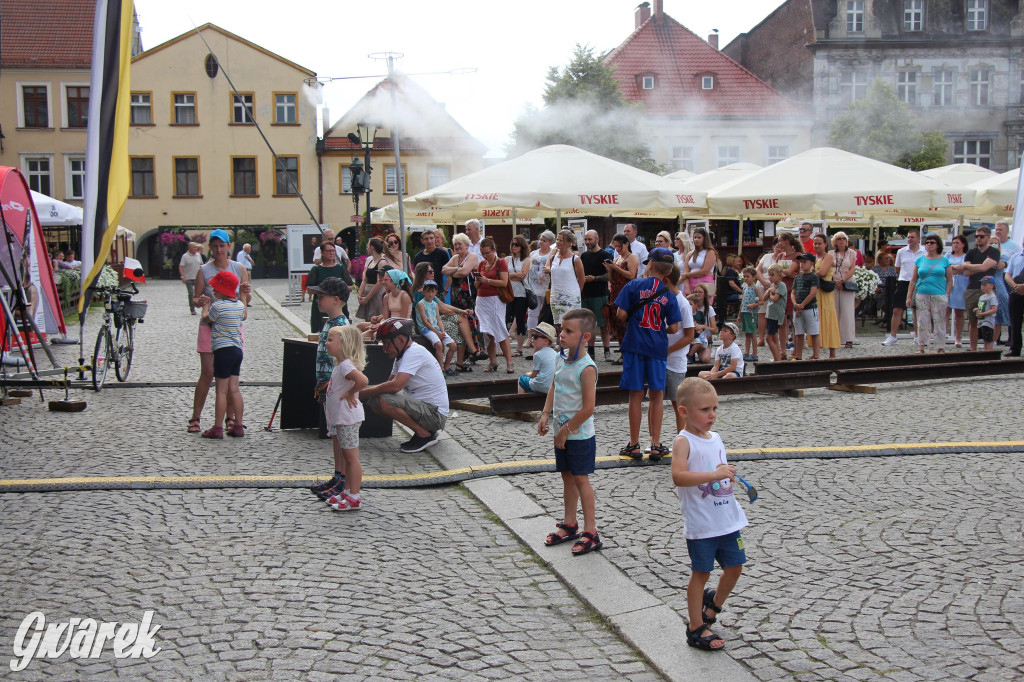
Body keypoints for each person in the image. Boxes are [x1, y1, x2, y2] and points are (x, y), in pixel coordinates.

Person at [671, 377, 748, 652]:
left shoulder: (716, 438)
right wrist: (715, 474)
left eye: (714, 408)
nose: (712, 415)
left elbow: (717, 469)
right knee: (700, 573)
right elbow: (678, 476)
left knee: (735, 566)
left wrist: (726, 475)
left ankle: (712, 606)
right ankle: (695, 626)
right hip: (702, 524)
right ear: (684, 412)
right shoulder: (683, 441)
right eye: (705, 410)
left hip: (727, 519)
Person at [538, 308, 601, 556]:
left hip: (579, 435)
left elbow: (589, 408)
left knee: (581, 478)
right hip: (560, 430)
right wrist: (545, 413)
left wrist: (566, 430)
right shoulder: (560, 357)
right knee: (567, 476)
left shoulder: (587, 368)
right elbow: (554, 384)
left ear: (585, 337)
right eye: (562, 329)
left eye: (568, 331)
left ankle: (591, 530)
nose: (561, 334)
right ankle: (570, 523)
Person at [614, 248, 682, 461]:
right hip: (657, 348)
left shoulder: (633, 285)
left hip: (635, 344)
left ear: (650, 264)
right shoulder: (668, 294)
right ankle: (655, 443)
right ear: (669, 271)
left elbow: (620, 313)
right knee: (657, 395)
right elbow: (674, 327)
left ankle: (634, 444)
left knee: (635, 395)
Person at [188, 229, 249, 435]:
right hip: (209, 328)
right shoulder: (203, 270)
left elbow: (244, 300)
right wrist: (203, 301)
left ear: (228, 246)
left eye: (222, 246)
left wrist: (245, 295)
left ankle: (229, 419)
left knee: (230, 379)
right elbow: (196, 299)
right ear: (210, 248)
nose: (218, 249)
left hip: (231, 329)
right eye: (214, 246)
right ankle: (196, 416)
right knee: (208, 373)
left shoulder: (239, 268)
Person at [362, 318, 450, 453]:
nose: (385, 350)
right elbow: (388, 384)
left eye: (386, 344)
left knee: (383, 401)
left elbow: (395, 387)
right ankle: (425, 431)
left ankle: (424, 435)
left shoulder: (414, 353)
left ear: (401, 340)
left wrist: (361, 392)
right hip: (427, 409)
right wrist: (360, 390)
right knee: (375, 401)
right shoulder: (401, 355)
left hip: (435, 415)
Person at [321, 325, 368, 512]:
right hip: (340, 419)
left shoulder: (346, 365)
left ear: (343, 344)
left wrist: (351, 393)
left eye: (331, 340)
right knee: (348, 459)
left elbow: (363, 381)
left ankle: (355, 496)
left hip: (347, 418)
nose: (326, 342)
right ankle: (348, 491)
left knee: (351, 459)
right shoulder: (341, 365)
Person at [306, 277, 351, 453]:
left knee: (338, 430)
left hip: (335, 385)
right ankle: (339, 473)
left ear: (335, 300)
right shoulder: (330, 322)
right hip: (327, 384)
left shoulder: (339, 325)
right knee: (333, 430)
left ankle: (342, 475)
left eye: (321, 296)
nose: (318, 300)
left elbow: (344, 358)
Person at [199, 270, 246, 439]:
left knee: (221, 391)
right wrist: (245, 297)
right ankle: (238, 425)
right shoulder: (239, 305)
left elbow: (207, 318)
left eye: (215, 288)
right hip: (236, 350)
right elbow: (244, 315)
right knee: (234, 389)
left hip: (222, 350)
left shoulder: (217, 307)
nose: (213, 291)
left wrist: (206, 305)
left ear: (222, 290)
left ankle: (217, 427)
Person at [412, 262, 477, 371]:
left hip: (436, 320)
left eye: (433, 271)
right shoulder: (421, 292)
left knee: (462, 318)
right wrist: (458, 312)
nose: (433, 273)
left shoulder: (430, 287)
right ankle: (468, 356)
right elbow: (441, 309)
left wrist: (461, 311)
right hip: (427, 325)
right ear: (422, 274)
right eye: (430, 271)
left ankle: (466, 356)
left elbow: (442, 305)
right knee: (459, 323)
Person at [953, 226, 1000, 351]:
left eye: (981, 236)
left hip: (988, 290)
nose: (978, 238)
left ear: (988, 237)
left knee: (988, 321)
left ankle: (988, 349)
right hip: (972, 288)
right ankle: (973, 349)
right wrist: (975, 267)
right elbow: (967, 273)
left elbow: (984, 268)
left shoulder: (994, 251)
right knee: (973, 320)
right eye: (977, 236)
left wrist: (969, 267)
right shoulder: (971, 252)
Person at [906, 234, 952, 354]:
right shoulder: (920, 260)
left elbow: (950, 279)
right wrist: (909, 296)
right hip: (922, 293)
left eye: (932, 242)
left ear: (938, 245)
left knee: (939, 320)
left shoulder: (945, 260)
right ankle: (921, 345)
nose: (929, 244)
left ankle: (940, 346)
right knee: (922, 320)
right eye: (927, 242)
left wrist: (946, 293)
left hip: (939, 293)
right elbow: (913, 279)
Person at [443, 234, 485, 363]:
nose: (457, 246)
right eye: (455, 244)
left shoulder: (472, 256)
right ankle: (465, 356)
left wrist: (454, 271)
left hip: (468, 294)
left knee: (471, 321)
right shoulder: (455, 258)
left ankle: (475, 351)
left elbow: (464, 272)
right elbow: (443, 270)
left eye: (460, 244)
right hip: (456, 294)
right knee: (459, 322)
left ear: (467, 245)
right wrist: (457, 268)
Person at [474, 238, 514, 373]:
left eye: (487, 253)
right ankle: (493, 361)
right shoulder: (481, 264)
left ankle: (509, 361)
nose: (485, 256)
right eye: (482, 253)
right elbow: (477, 285)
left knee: (500, 329)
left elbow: (504, 282)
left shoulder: (501, 262)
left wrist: (487, 280)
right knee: (487, 332)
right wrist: (478, 281)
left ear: (494, 250)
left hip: (495, 299)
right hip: (481, 299)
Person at [665, 265, 696, 433]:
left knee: (678, 402)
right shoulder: (662, 299)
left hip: (675, 360)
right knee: (655, 400)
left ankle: (682, 437)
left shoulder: (682, 303)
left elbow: (689, 336)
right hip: (661, 358)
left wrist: (668, 350)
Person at [883, 229, 924, 346]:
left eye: (912, 237)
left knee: (916, 311)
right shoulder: (901, 252)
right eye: (909, 237)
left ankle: (917, 337)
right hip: (904, 282)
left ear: (918, 239)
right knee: (897, 310)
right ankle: (893, 336)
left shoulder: (924, 251)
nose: (910, 239)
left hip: (918, 283)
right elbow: (898, 268)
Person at [605, 233, 639, 364]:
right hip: (615, 293)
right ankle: (623, 351)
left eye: (620, 246)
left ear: (627, 244)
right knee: (618, 325)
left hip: (627, 292)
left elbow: (631, 275)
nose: (618, 249)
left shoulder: (632, 257)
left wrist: (615, 268)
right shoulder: (617, 259)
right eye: (616, 246)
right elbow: (611, 279)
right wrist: (610, 269)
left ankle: (628, 353)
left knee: (625, 324)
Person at [580, 230, 614, 361]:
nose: (588, 242)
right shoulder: (584, 256)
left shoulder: (605, 255)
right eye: (586, 239)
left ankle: (607, 351)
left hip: (600, 294)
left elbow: (609, 275)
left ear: (597, 239)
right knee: (588, 325)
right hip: (586, 294)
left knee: (603, 324)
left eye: (590, 239)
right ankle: (591, 351)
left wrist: (595, 278)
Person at [545, 229, 585, 335]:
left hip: (570, 296)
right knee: (558, 323)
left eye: (561, 240)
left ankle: (573, 346)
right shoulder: (553, 257)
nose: (558, 242)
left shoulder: (575, 259)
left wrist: (576, 293)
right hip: (555, 295)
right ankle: (561, 345)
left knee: (570, 324)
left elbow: (582, 279)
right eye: (557, 240)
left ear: (569, 243)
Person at [415, 280, 456, 372]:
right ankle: (440, 368)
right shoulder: (421, 304)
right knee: (438, 344)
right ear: (424, 291)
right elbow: (425, 321)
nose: (430, 294)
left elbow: (438, 319)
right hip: (426, 329)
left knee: (453, 345)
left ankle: (447, 366)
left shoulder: (435, 304)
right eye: (428, 291)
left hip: (436, 328)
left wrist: (442, 331)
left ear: (436, 292)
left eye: (432, 291)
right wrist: (437, 333)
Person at [307, 241, 345, 333]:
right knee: (322, 332)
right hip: (321, 306)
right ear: (322, 253)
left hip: (338, 305)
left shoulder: (340, 268)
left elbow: (349, 287)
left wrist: (335, 289)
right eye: (329, 251)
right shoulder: (316, 269)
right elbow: (309, 290)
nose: (332, 253)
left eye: (333, 251)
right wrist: (323, 290)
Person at [812, 234, 840, 359]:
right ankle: (816, 351)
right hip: (816, 292)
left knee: (828, 319)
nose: (817, 245)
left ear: (825, 244)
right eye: (815, 243)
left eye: (819, 243)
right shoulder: (814, 257)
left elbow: (823, 272)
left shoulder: (828, 256)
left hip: (825, 292)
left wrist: (810, 273)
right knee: (816, 320)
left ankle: (832, 352)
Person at [993, 221, 1021, 345]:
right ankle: (995, 337)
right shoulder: (992, 245)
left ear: (1007, 231)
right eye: (997, 229)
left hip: (1008, 276)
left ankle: (1011, 337)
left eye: (1000, 229)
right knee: (995, 306)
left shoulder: (1014, 246)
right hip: (994, 277)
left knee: (1009, 306)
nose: (998, 231)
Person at [505, 236, 531, 356]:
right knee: (505, 319)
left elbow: (522, 276)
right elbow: (502, 275)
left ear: (522, 246)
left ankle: (519, 349)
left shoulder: (526, 260)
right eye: (512, 244)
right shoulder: (507, 259)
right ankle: (504, 347)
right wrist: (514, 275)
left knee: (520, 320)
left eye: (517, 244)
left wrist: (510, 275)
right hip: (508, 292)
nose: (514, 246)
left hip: (521, 293)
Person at [791, 253, 820, 361]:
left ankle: (816, 355)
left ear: (811, 263)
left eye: (804, 262)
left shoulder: (813, 276)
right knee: (799, 333)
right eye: (800, 262)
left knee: (814, 331)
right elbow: (793, 292)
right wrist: (795, 304)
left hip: (810, 308)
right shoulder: (797, 277)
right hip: (797, 308)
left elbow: (812, 293)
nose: (802, 264)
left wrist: (802, 305)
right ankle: (798, 355)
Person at [526, 230, 555, 335]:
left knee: (547, 312)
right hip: (533, 286)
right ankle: (531, 336)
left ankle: (547, 335)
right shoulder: (533, 253)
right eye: (541, 240)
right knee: (532, 312)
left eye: (544, 240)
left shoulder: (552, 254)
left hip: (546, 287)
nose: (541, 242)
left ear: (550, 242)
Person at [518, 322, 557, 395]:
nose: (532, 338)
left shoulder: (537, 355)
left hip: (541, 386)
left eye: (536, 337)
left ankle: (521, 401)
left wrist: (527, 374)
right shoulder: (555, 353)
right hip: (552, 386)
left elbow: (533, 375)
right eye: (532, 335)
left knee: (521, 379)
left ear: (546, 341)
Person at [356, 238, 389, 323]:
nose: (367, 248)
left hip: (376, 294)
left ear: (372, 247)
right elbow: (364, 280)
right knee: (367, 320)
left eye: (368, 246)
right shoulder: (371, 261)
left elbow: (379, 282)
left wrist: (367, 298)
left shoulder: (382, 262)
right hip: (367, 292)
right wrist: (360, 294)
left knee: (374, 319)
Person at [760, 264, 788, 362]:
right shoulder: (773, 286)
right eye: (769, 275)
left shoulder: (781, 285)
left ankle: (777, 359)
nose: (770, 277)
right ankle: (777, 358)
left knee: (768, 338)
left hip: (776, 315)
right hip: (770, 314)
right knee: (774, 338)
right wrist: (768, 291)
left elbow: (775, 298)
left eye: (772, 275)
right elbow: (763, 299)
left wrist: (771, 293)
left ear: (779, 276)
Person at [682, 228, 718, 301]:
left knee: (704, 306)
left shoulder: (710, 252)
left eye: (699, 237)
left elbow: (705, 271)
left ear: (704, 239)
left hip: (705, 283)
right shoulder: (690, 254)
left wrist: (687, 275)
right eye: (695, 237)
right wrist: (687, 287)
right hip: (691, 282)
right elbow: (685, 272)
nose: (696, 240)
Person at [947, 234, 969, 348]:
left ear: (963, 244)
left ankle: (958, 337)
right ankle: (942, 334)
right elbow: (946, 268)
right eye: (954, 243)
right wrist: (956, 268)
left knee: (959, 312)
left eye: (957, 243)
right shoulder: (947, 255)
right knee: (945, 310)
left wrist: (954, 268)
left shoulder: (966, 256)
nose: (955, 245)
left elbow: (965, 268)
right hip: (948, 284)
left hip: (961, 285)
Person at [1004, 238, 1024, 357]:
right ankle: (1015, 348)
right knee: (1014, 321)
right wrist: (1015, 286)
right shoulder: (1016, 256)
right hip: (1016, 291)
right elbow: (1007, 274)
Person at [688, 284, 717, 364]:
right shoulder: (688, 306)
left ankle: (697, 351)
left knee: (705, 359)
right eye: (695, 292)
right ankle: (691, 354)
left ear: (705, 294)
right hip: (691, 335)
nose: (697, 294)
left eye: (700, 292)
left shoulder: (709, 309)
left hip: (702, 335)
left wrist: (704, 329)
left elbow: (714, 330)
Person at [739, 267, 760, 361]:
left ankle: (755, 353)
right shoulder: (745, 287)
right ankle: (746, 352)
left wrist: (754, 305)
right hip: (745, 312)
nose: (746, 278)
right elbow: (743, 301)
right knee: (747, 333)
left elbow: (762, 300)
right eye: (744, 276)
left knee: (752, 333)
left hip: (751, 312)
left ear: (753, 277)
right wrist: (739, 314)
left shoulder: (756, 288)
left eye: (748, 276)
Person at [179, 241, 205, 315]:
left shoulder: (198, 255)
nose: (196, 248)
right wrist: (183, 276)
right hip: (189, 278)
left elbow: (201, 265)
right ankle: (192, 309)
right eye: (194, 247)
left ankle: (204, 307)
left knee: (201, 294)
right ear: (190, 248)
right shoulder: (185, 256)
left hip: (198, 278)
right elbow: (181, 266)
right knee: (191, 293)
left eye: (196, 247)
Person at [976, 276, 999, 351]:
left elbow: (994, 309)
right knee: (984, 338)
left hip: (988, 321)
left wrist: (983, 314)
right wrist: (977, 309)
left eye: (985, 285)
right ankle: (986, 351)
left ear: (992, 286)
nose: (982, 286)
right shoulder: (982, 297)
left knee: (989, 338)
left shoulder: (992, 297)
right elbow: (981, 307)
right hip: (981, 321)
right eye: (982, 284)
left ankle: (989, 351)